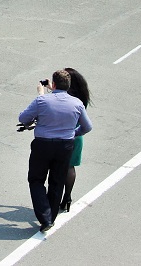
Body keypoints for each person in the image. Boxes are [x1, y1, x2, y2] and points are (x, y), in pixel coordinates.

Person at [18, 69, 93, 232]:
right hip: (65, 146)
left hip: (43, 144)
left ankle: (45, 218)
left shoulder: (42, 101)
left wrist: (41, 95)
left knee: (36, 180)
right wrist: (73, 133)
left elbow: (23, 118)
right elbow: (87, 127)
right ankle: (50, 217)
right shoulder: (77, 104)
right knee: (57, 182)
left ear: (52, 84)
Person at [60, 67, 90, 214]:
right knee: (70, 168)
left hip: (64, 136)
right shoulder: (81, 98)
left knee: (56, 166)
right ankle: (68, 197)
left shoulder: (67, 98)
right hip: (77, 137)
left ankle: (56, 196)